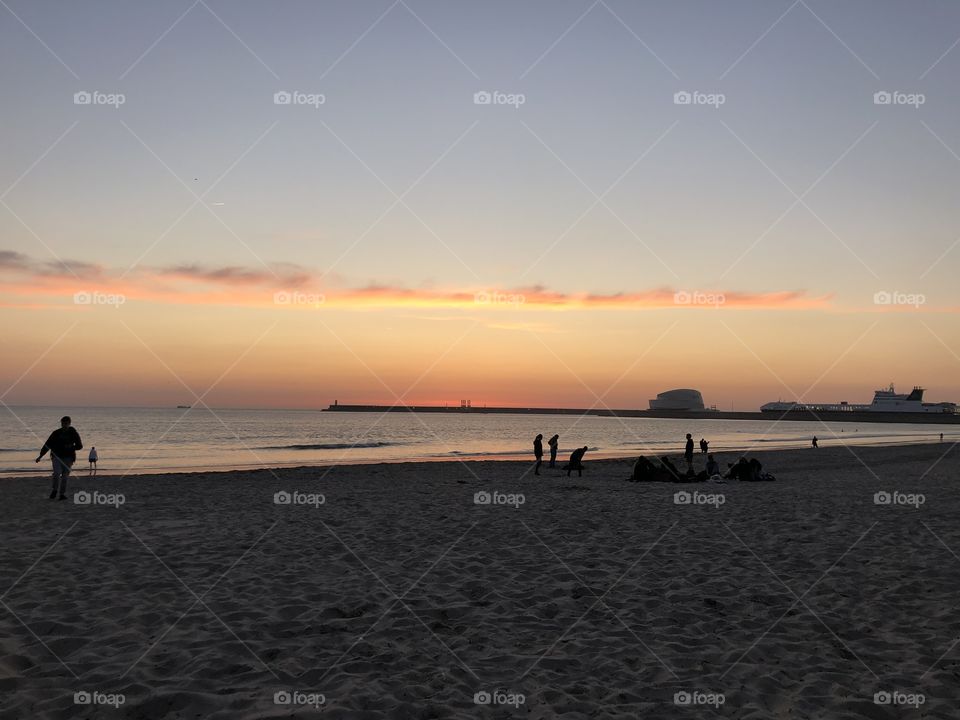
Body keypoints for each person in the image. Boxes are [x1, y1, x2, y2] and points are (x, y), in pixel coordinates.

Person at [36, 416, 83, 500]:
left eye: (66, 423)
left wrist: (71, 447)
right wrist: (40, 456)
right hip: (56, 457)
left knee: (65, 477)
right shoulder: (56, 433)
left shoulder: (73, 433)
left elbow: (80, 446)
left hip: (69, 458)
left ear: (69, 423)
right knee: (57, 473)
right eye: (62, 423)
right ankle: (55, 490)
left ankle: (62, 494)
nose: (64, 425)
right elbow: (48, 444)